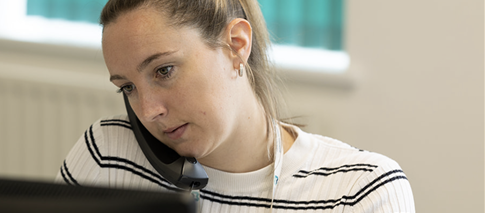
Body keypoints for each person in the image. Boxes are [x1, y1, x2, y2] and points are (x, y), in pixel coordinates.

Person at [56, 0, 415, 212]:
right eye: (128, 87)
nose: (148, 110)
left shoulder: (360, 192)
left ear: (236, 45)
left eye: (164, 71)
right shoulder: (106, 156)